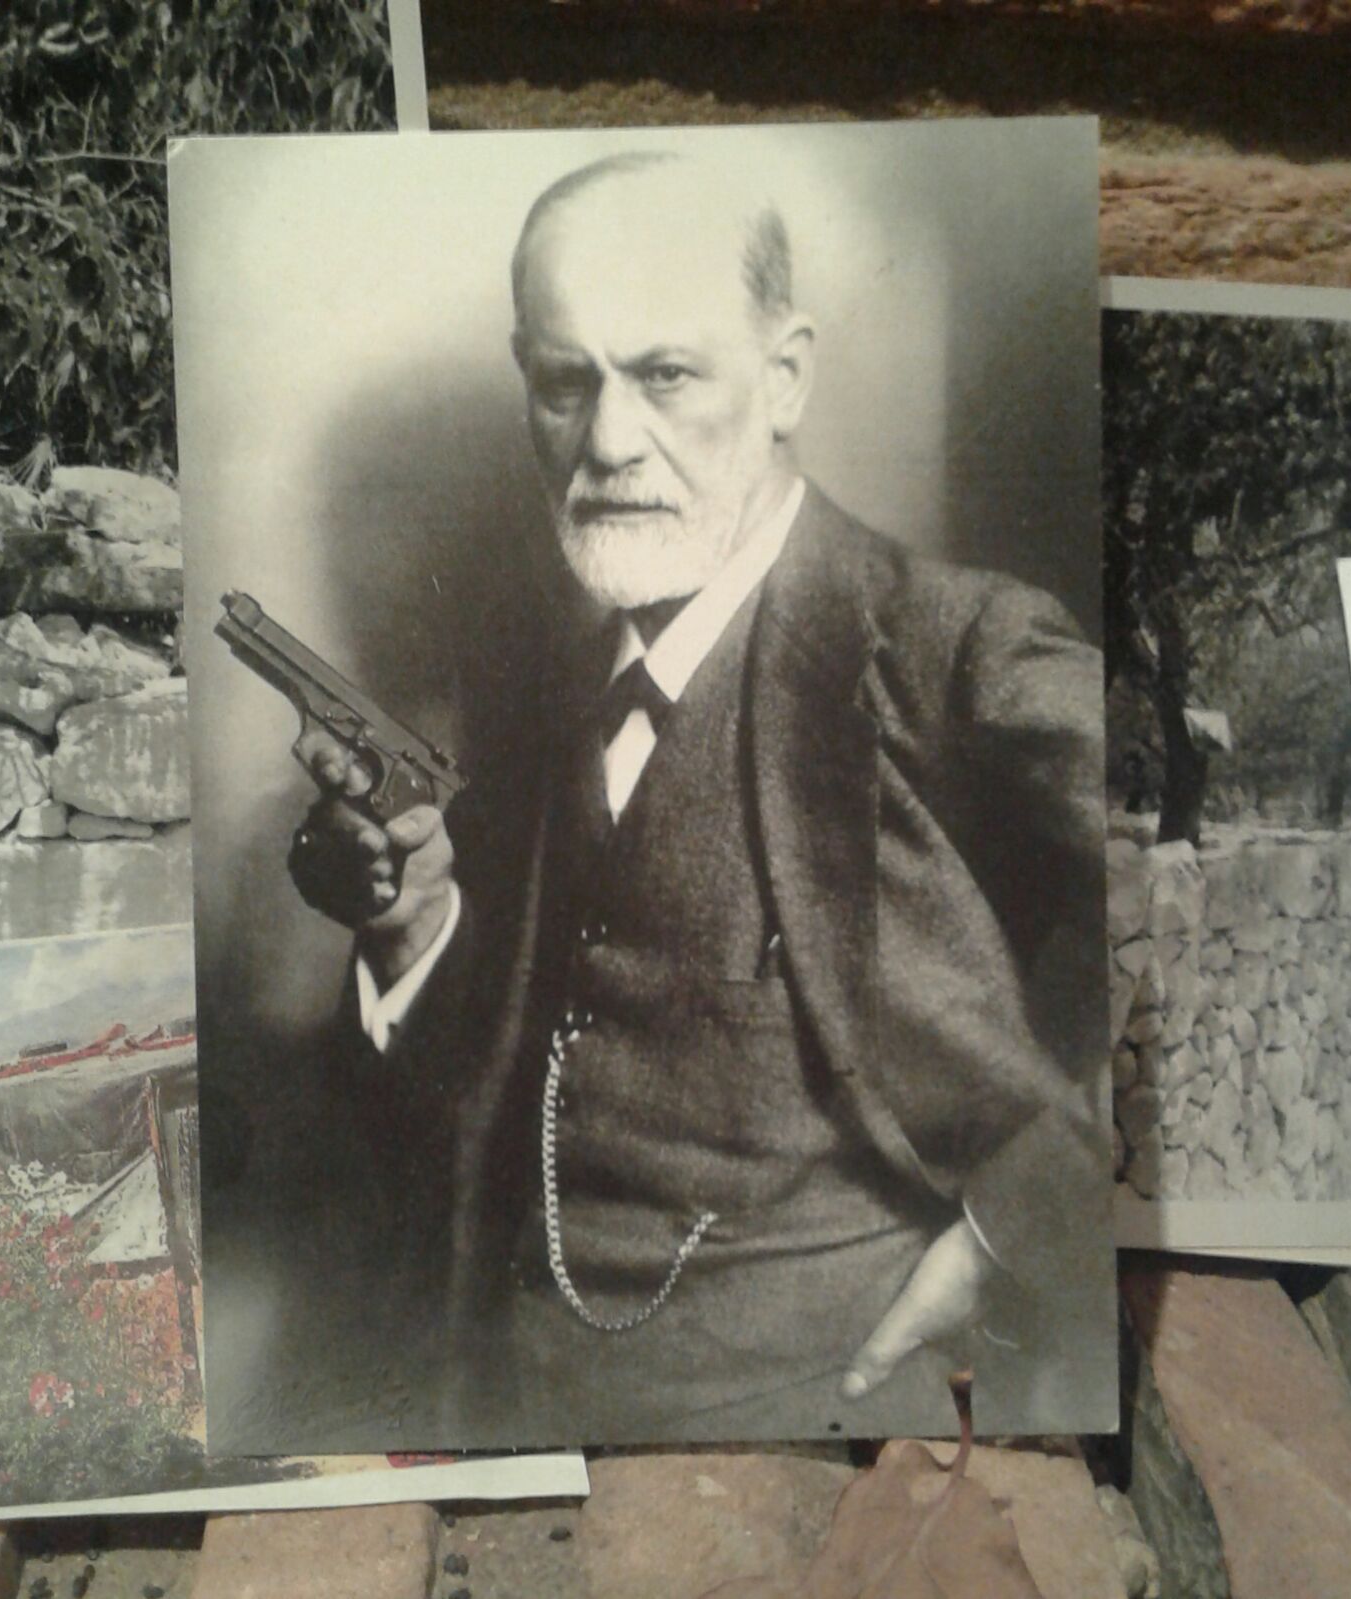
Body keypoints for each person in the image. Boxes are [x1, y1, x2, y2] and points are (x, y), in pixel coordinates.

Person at [285, 152, 1109, 1444]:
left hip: (821, 1443)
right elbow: (505, 1084)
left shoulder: (957, 649)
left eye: (666, 374)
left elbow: (1219, 928)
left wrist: (1022, 1223)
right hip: (508, 1411)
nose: (610, 443)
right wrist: (412, 929)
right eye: (566, 384)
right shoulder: (548, 673)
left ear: (785, 378)